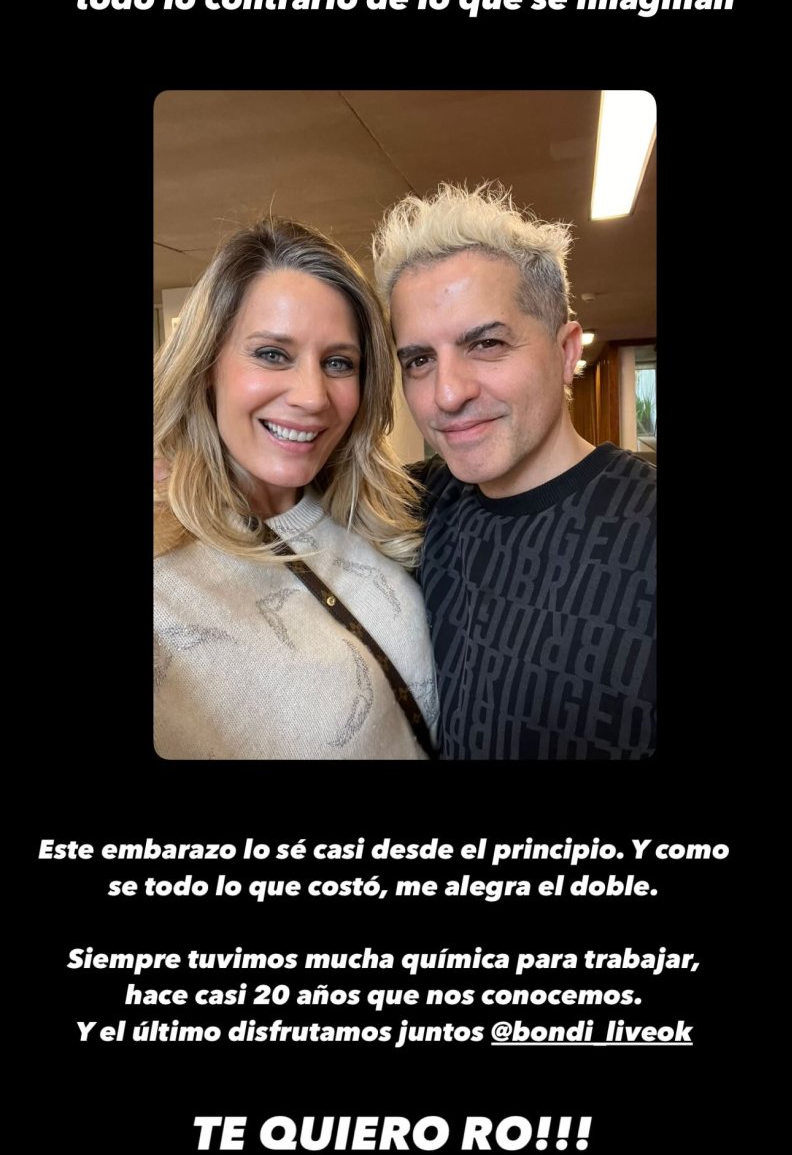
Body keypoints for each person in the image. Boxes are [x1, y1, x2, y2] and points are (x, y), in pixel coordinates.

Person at [372, 183, 656, 761]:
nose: (447, 394)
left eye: (486, 344)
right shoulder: (412, 506)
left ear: (567, 351)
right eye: (420, 360)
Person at [154, 215, 439, 760]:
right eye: (272, 354)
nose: (312, 395)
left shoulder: (378, 518)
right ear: (208, 364)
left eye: (338, 363)